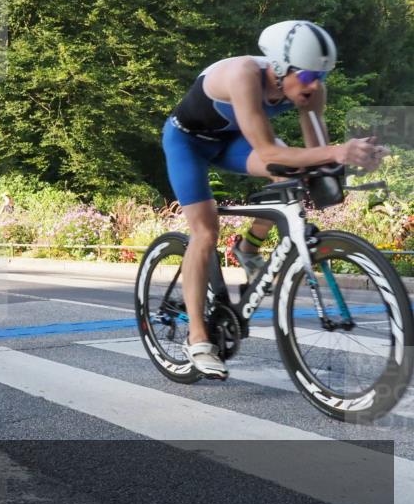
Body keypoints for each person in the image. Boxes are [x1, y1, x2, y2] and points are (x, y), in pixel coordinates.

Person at [162, 20, 386, 380]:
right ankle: (198, 338)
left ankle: (248, 248)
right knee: (205, 231)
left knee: (293, 174)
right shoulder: (243, 75)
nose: (314, 84)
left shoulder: (313, 91)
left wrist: (355, 158)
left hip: (232, 142)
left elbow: (319, 156)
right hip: (187, 142)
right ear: (280, 68)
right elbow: (267, 151)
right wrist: (338, 151)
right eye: (308, 75)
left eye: (322, 76)